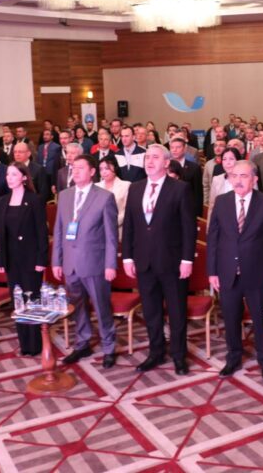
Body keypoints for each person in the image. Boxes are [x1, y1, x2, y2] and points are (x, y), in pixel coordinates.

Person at [207, 160, 263, 382]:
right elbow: (213, 239)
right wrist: (212, 271)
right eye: (234, 176)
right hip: (227, 273)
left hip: (258, 274)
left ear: (254, 179)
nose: (238, 181)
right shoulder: (221, 202)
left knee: (261, 320)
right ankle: (233, 358)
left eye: (244, 176)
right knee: (231, 318)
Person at [123, 144, 196, 375]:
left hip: (172, 262)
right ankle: (156, 352)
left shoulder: (180, 189)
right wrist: (127, 257)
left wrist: (187, 260)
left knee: (176, 311)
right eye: (147, 157)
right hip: (144, 261)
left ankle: (178, 355)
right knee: (151, 311)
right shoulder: (135, 188)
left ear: (166, 163)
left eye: (155, 157)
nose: (150, 161)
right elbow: (129, 225)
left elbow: (188, 228)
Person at [52, 155, 119, 369]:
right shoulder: (64, 196)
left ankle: (109, 347)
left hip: (95, 263)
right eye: (74, 167)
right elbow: (59, 230)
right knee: (77, 306)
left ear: (92, 172)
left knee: (101, 307)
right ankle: (82, 343)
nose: (76, 171)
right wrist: (56, 261)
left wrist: (110, 265)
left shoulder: (104, 197)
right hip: (70, 263)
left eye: (81, 168)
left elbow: (111, 236)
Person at [0, 163, 48, 356]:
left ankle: (35, 344)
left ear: (24, 177)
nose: (9, 178)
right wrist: (1, 260)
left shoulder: (34, 199)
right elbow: (1, 235)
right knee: (17, 301)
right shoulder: (3, 200)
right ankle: (24, 343)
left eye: (14, 174)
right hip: (12, 259)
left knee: (31, 300)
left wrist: (41, 259)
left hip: (31, 258)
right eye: (8, 175)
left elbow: (42, 232)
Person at [95, 157, 130, 239]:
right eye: (101, 169)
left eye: (107, 168)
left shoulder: (126, 185)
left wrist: (110, 224)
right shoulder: (96, 186)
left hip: (118, 230)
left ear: (115, 168)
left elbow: (127, 211)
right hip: (98, 232)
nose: (104, 172)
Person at [207, 147, 241, 224]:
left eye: (231, 159)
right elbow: (212, 206)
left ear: (238, 161)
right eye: (224, 159)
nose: (227, 163)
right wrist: (209, 227)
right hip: (221, 223)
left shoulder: (247, 179)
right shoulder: (217, 180)